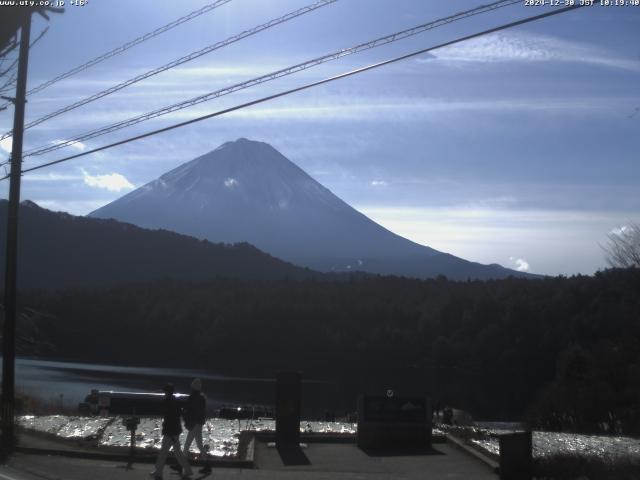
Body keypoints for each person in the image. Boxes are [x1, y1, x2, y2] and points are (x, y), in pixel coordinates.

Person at [150, 383, 192, 480]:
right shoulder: (176, 401)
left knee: (164, 453)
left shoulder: (167, 402)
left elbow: (169, 418)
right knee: (177, 452)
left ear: (167, 392)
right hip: (175, 430)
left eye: (165, 391)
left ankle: (158, 472)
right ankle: (188, 470)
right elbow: (179, 415)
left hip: (170, 431)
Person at [183, 378, 208, 468]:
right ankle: (207, 465)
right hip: (199, 424)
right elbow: (202, 412)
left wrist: (188, 422)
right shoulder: (202, 398)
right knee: (199, 445)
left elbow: (188, 411)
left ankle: (181, 465)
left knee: (187, 445)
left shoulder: (192, 397)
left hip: (193, 424)